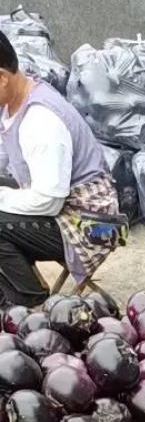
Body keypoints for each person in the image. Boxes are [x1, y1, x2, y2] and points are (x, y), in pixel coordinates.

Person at [0, 29, 118, 310]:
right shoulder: (12, 103)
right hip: (65, 207)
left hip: (93, 225)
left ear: (2, 77)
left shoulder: (40, 120)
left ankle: (28, 303)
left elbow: (48, 200)